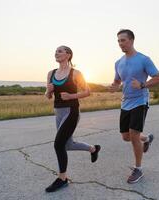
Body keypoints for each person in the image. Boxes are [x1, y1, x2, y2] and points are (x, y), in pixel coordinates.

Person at [45, 46, 101, 192]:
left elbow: (87, 91)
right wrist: (48, 91)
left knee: (58, 144)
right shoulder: (51, 73)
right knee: (67, 145)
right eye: (55, 51)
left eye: (60, 51)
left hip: (72, 111)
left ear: (68, 55)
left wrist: (71, 96)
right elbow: (48, 96)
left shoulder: (75, 73)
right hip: (58, 111)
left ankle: (62, 179)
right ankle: (93, 149)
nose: (56, 53)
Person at [109, 29, 159, 184]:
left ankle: (138, 169)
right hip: (126, 102)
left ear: (131, 40)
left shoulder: (144, 59)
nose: (120, 43)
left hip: (140, 101)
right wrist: (114, 86)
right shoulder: (118, 63)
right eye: (118, 40)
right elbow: (118, 81)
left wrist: (142, 84)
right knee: (126, 136)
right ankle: (146, 139)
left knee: (133, 135)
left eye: (123, 40)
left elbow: (158, 78)